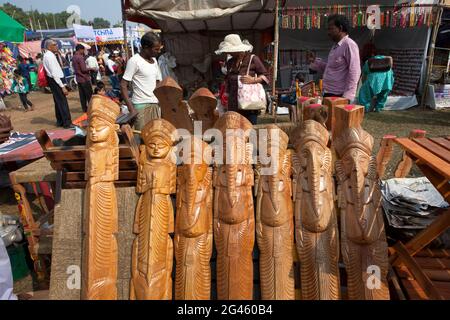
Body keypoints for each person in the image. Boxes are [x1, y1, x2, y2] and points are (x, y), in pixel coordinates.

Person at [215, 34, 269, 125]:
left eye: (230, 50)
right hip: (233, 103)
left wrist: (253, 80)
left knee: (249, 129)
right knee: (234, 128)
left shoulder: (253, 59)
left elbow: (267, 76)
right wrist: (225, 96)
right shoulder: (230, 62)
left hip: (248, 104)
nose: (229, 53)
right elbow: (228, 79)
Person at [307, 14, 361, 102]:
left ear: (340, 28)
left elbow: (355, 71)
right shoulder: (335, 46)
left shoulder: (349, 44)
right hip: (328, 93)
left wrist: (347, 96)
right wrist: (314, 61)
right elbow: (330, 68)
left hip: (340, 95)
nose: (328, 32)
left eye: (330, 29)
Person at [121, 32, 163, 130]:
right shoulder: (134, 61)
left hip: (155, 104)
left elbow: (157, 82)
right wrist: (131, 109)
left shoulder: (154, 61)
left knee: (155, 135)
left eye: (159, 49)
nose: (158, 52)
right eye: (156, 49)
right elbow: (123, 85)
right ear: (145, 47)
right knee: (143, 137)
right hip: (141, 105)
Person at [43, 39, 73, 128]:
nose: (57, 46)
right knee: (62, 102)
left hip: (53, 80)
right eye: (54, 44)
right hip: (55, 80)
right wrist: (62, 86)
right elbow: (54, 73)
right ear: (49, 46)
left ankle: (60, 121)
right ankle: (67, 123)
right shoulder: (49, 56)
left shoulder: (49, 55)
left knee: (58, 101)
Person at [358, 46, 394, 113]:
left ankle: (365, 109)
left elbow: (364, 75)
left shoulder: (368, 62)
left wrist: (364, 85)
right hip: (387, 82)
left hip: (374, 81)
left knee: (364, 94)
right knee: (382, 96)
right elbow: (391, 72)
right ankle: (378, 109)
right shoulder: (387, 59)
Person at [72, 44, 94, 112]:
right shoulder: (80, 57)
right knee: (89, 95)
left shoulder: (74, 57)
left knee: (82, 96)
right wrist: (91, 68)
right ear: (80, 49)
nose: (84, 51)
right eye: (83, 50)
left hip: (79, 79)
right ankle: (91, 109)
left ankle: (84, 109)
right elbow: (84, 69)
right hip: (84, 78)